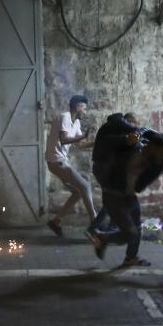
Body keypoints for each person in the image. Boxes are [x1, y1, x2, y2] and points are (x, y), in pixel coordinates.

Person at [96, 128, 163, 267]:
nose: (162, 156)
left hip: (129, 196)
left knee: (137, 230)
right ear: (152, 146)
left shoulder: (157, 159)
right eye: (161, 152)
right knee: (130, 233)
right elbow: (110, 144)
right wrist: (129, 138)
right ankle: (102, 238)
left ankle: (131, 258)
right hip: (113, 195)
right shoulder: (132, 149)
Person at [45, 94, 96, 237]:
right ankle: (95, 224)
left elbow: (80, 145)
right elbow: (64, 140)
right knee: (85, 186)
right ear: (77, 107)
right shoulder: (65, 117)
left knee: (79, 192)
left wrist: (96, 142)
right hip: (56, 161)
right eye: (84, 108)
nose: (85, 112)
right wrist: (84, 136)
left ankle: (56, 221)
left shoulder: (76, 123)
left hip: (60, 161)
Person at [86, 112, 139, 243]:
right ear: (127, 122)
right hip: (103, 169)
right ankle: (96, 229)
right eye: (131, 124)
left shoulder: (114, 129)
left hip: (102, 168)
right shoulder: (116, 128)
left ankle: (110, 227)